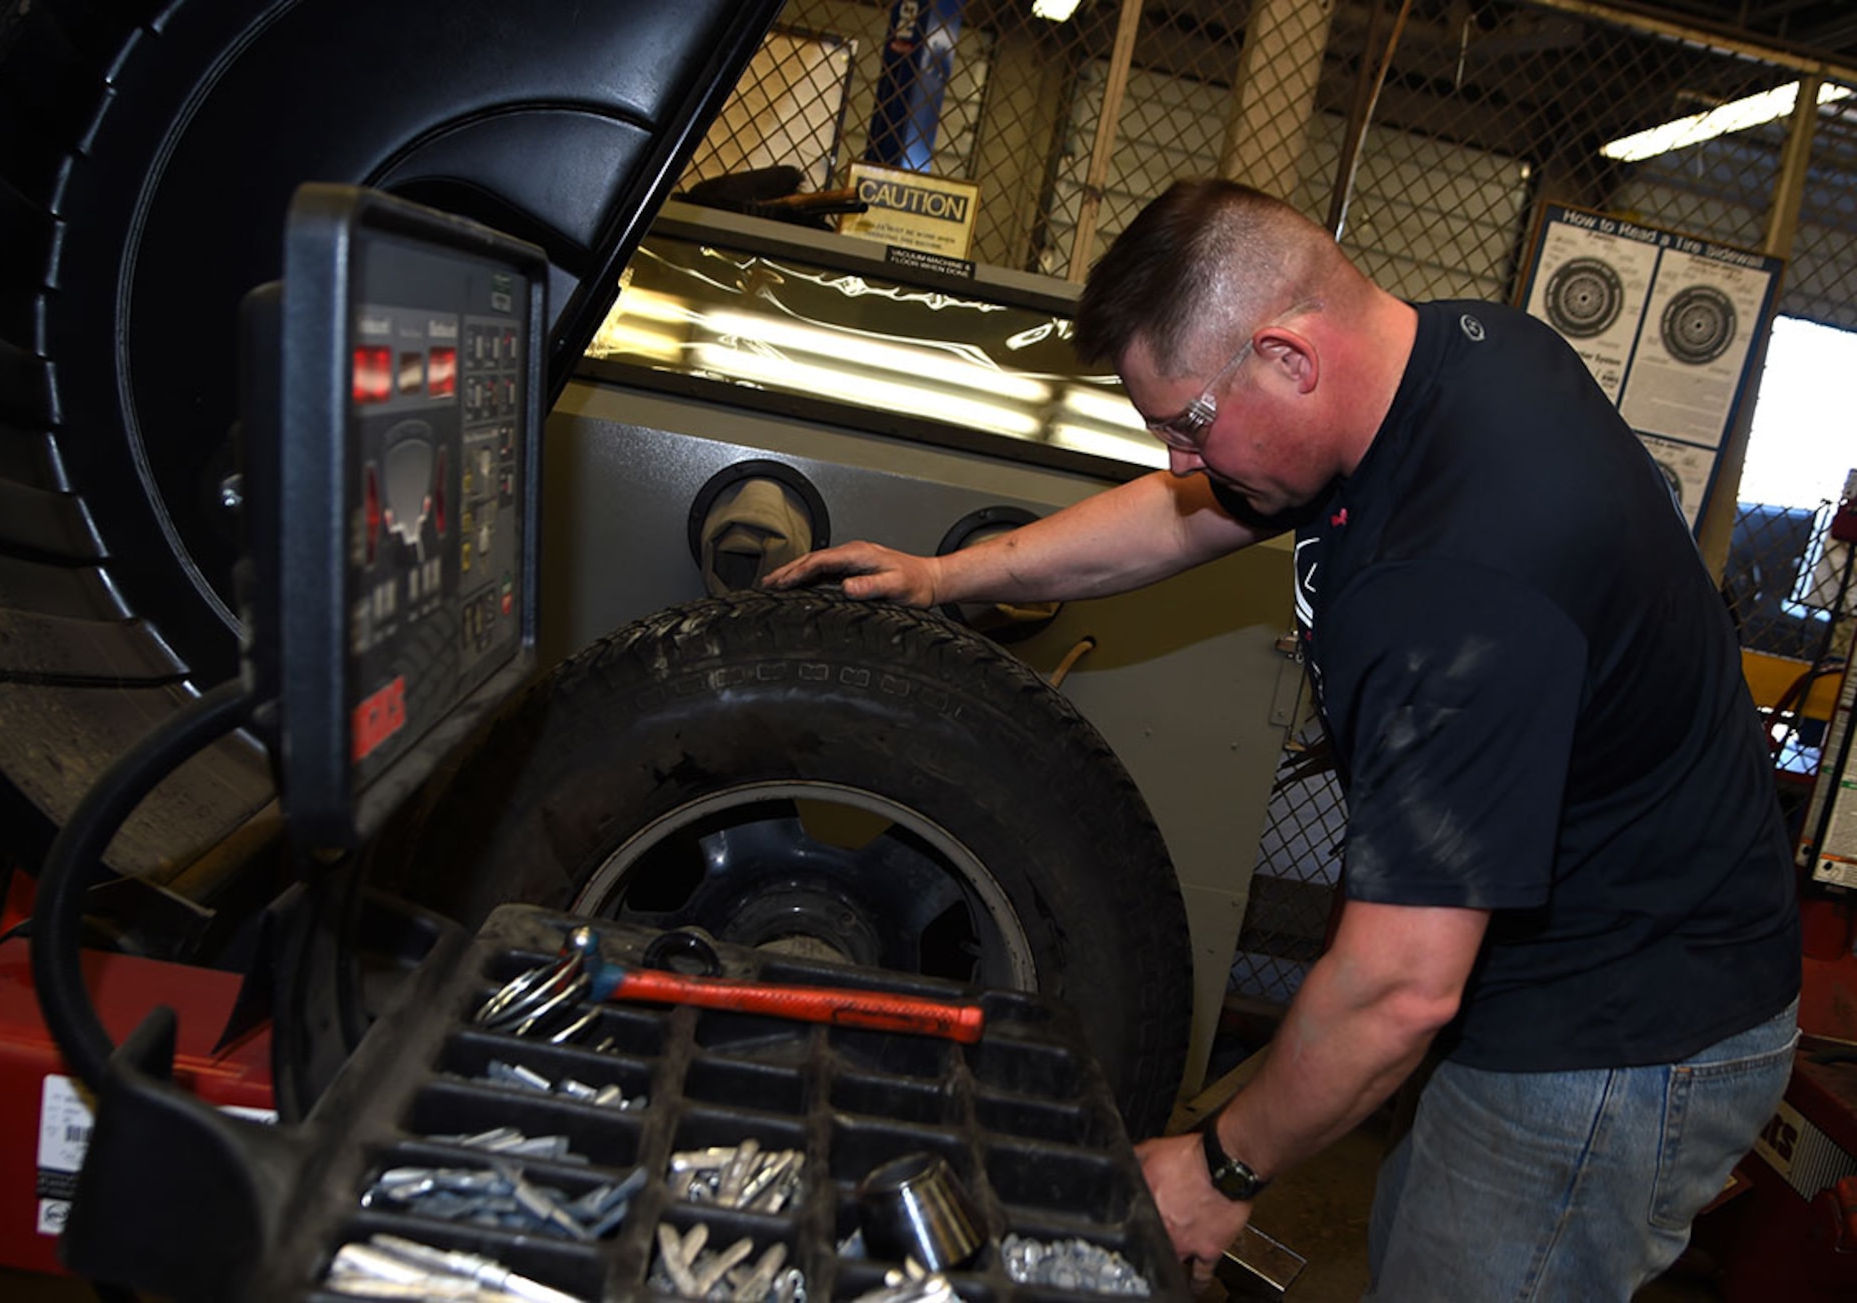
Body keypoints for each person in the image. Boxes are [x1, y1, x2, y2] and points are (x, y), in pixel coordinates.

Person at [763, 178, 1800, 1300]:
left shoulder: (1457, 581)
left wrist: (1222, 1166)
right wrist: (945, 576)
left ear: (1287, 357)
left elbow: (1398, 986)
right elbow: (1182, 515)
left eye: (1185, 425)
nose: (1175, 462)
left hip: (1620, 1032)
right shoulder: (1443, 357)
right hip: (1558, 966)